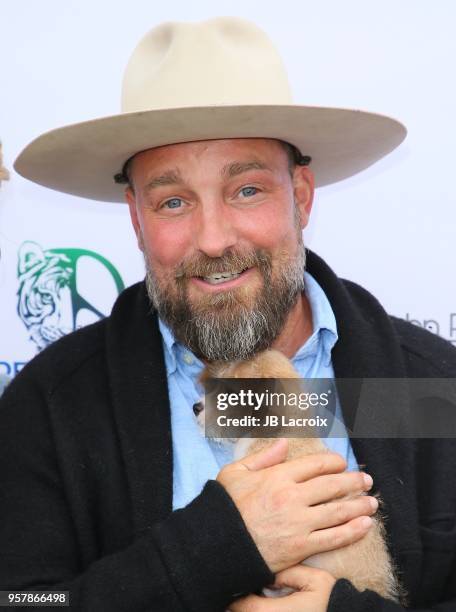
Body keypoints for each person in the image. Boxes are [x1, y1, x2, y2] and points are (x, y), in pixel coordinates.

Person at [4, 16, 456, 612]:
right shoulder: (53, 404)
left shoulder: (428, 387)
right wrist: (216, 547)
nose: (214, 240)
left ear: (300, 197)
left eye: (246, 190)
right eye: (172, 202)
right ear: (137, 221)